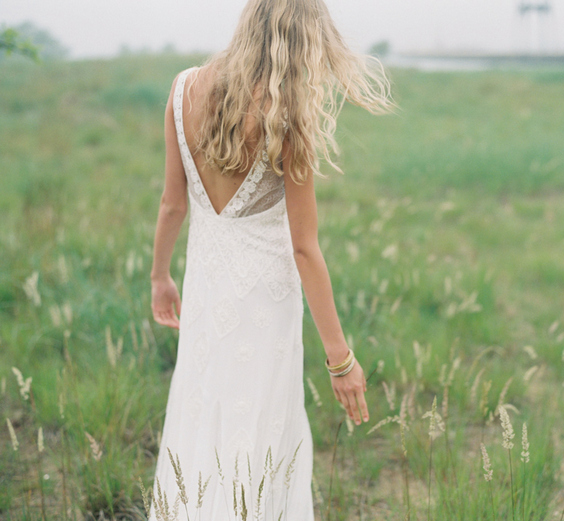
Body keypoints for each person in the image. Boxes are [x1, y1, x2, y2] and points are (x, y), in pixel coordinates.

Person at [148, 0, 394, 518]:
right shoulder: (287, 117)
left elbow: (173, 203)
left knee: (201, 409)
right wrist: (340, 359)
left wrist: (160, 276)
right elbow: (305, 247)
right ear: (302, 38)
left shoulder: (183, 87)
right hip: (264, 302)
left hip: (204, 287)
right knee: (258, 426)